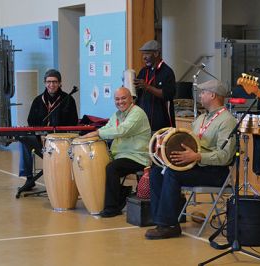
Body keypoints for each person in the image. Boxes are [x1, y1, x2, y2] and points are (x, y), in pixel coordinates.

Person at [145, 79, 236, 240]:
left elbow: (225, 156)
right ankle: (163, 219)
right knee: (157, 171)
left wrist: (198, 156)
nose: (200, 96)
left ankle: (169, 225)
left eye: (203, 92)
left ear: (213, 95)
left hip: (216, 172)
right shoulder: (201, 118)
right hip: (197, 167)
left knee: (172, 173)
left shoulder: (227, 121)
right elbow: (190, 141)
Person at [82, 87, 151, 218]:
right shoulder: (117, 115)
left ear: (131, 99)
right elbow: (108, 128)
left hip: (138, 157)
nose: (120, 102)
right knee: (99, 165)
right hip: (121, 156)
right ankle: (120, 194)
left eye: (124, 98)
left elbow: (122, 130)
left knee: (112, 168)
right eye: (117, 99)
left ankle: (112, 208)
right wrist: (88, 137)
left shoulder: (137, 113)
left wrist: (97, 133)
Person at [19, 69, 78, 190]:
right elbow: (31, 122)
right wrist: (40, 134)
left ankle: (68, 179)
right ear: (45, 83)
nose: (52, 85)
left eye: (55, 82)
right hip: (41, 140)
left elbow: (73, 122)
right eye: (49, 82)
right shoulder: (37, 100)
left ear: (60, 83)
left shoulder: (68, 100)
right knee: (23, 139)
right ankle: (29, 178)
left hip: (61, 141)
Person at [134, 40, 176, 132]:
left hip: (161, 123)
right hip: (143, 121)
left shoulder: (167, 72)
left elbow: (167, 94)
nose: (144, 57)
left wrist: (147, 86)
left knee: (158, 146)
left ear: (156, 53)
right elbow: (136, 92)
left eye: (147, 54)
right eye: (143, 54)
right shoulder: (144, 71)